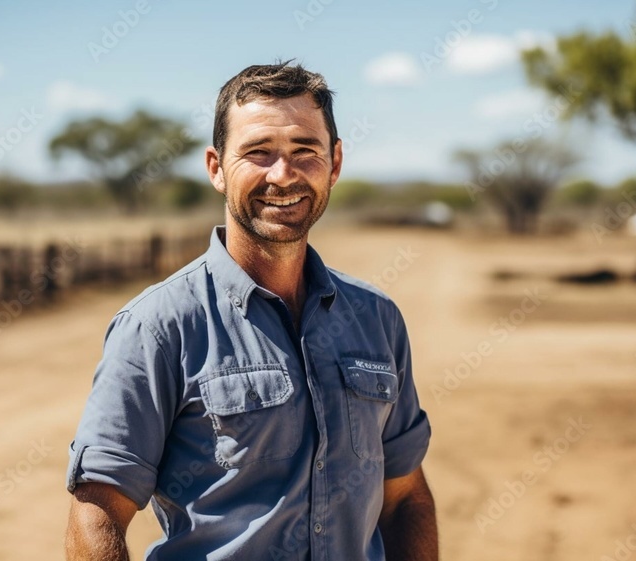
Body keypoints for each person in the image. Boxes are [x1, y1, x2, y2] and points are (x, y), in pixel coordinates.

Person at [65, 61, 437, 560]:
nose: (282, 175)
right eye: (258, 153)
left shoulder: (376, 319)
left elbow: (405, 496)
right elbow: (97, 514)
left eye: (305, 151)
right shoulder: (158, 327)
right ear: (217, 168)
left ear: (336, 163)